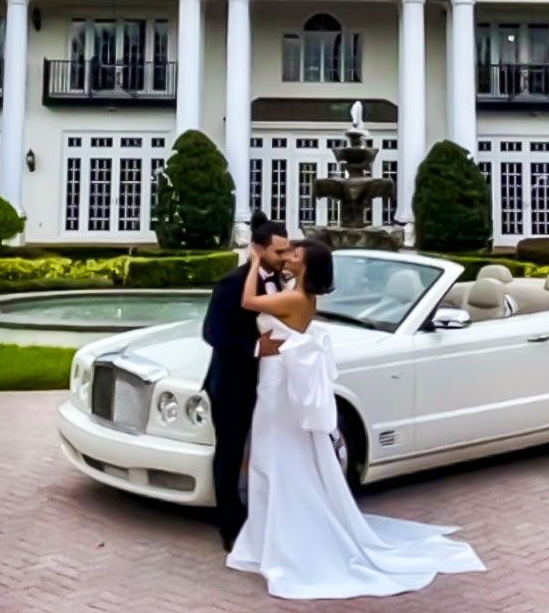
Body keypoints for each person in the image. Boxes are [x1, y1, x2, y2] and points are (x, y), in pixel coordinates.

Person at [225, 238, 487, 600]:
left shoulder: (297, 298)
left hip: (280, 390)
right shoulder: (296, 292)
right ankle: (266, 539)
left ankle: (283, 544)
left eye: (295, 255)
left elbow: (248, 302)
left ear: (307, 266)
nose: (288, 257)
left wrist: (252, 261)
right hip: (273, 382)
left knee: (278, 461)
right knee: (271, 462)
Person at [201, 212, 291, 552]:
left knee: (264, 448)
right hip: (232, 383)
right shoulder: (231, 283)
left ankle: (262, 512)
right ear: (258, 249)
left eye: (287, 251)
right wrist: (257, 347)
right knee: (230, 453)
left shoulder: (282, 281)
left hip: (268, 383)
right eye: (279, 252)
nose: (285, 258)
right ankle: (229, 527)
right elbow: (212, 333)